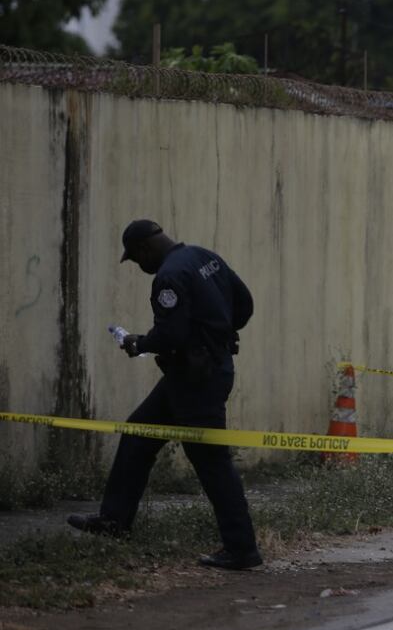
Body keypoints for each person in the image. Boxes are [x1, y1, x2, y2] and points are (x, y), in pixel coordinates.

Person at [68, 219, 262, 571]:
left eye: (136, 259)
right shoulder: (204, 256)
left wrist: (138, 343)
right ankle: (114, 521)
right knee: (138, 432)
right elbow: (244, 303)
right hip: (196, 372)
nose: (140, 267)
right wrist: (217, 335)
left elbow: (170, 335)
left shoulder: (168, 277)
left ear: (144, 250)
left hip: (196, 382)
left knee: (211, 461)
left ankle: (242, 548)